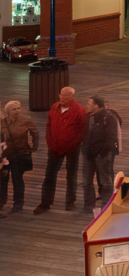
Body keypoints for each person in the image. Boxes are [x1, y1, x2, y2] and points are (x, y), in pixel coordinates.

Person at [35, 84, 88, 214]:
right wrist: (49, 142)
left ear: (72, 97)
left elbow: (83, 131)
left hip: (72, 149)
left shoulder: (80, 111)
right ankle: (45, 202)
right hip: (54, 148)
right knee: (49, 175)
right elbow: (48, 126)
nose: (62, 97)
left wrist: (74, 145)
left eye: (66, 95)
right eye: (61, 95)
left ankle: (70, 201)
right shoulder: (54, 107)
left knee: (71, 176)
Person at [84, 93, 122, 210]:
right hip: (88, 154)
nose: (86, 105)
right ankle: (88, 205)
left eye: (89, 104)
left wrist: (101, 153)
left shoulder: (109, 117)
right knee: (86, 182)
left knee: (106, 182)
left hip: (102, 155)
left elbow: (111, 137)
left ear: (96, 106)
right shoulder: (89, 117)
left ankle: (106, 206)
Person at [0, 99, 38, 215]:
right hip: (5, 156)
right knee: (2, 180)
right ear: (8, 111)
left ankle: (18, 203)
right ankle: (2, 202)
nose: (17, 111)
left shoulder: (25, 121)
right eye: (14, 109)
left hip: (20, 155)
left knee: (17, 179)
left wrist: (34, 147)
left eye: (18, 108)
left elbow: (35, 133)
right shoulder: (2, 122)